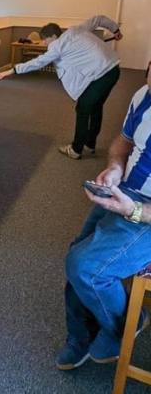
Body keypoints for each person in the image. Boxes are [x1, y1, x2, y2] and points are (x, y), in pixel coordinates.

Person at [56, 59, 151, 370]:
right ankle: (82, 335)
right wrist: (114, 168)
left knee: (86, 267)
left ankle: (126, 322)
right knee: (78, 255)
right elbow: (122, 144)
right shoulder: (143, 93)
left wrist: (135, 210)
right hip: (125, 192)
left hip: (145, 211)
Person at [0, 16, 122, 159]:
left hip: (102, 75)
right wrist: (115, 29)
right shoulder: (77, 29)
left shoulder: (57, 46)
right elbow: (98, 19)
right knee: (95, 106)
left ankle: (76, 150)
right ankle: (90, 144)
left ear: (54, 36)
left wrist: (11, 70)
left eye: (45, 39)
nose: (44, 42)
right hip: (113, 70)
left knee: (83, 108)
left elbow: (38, 62)